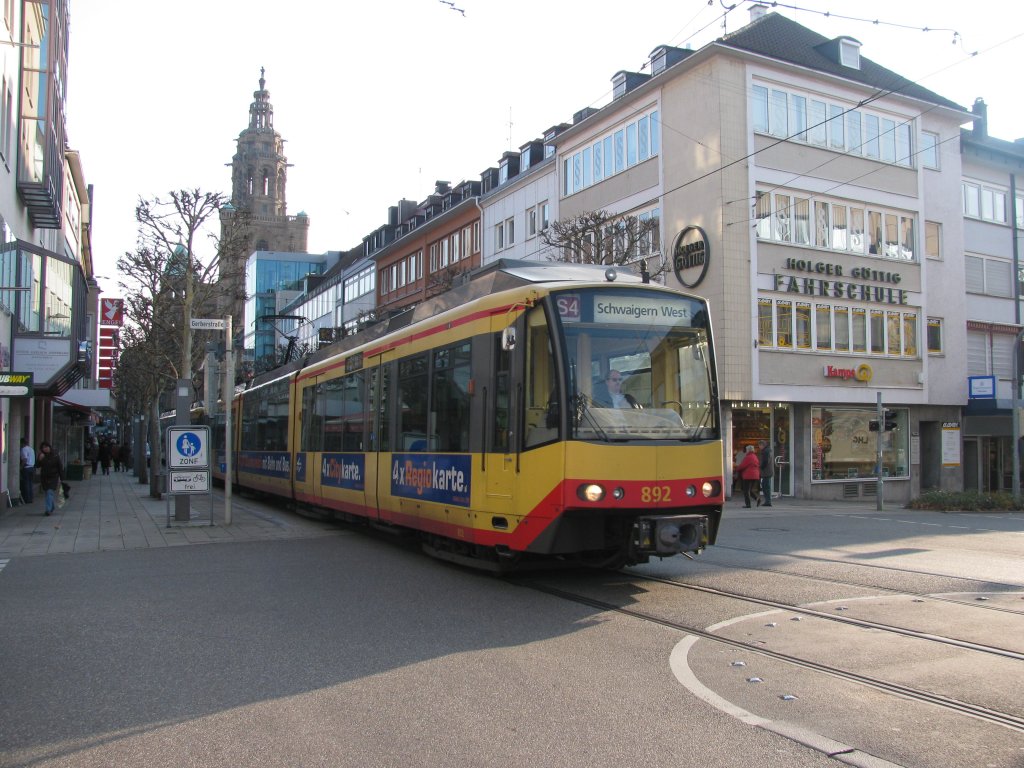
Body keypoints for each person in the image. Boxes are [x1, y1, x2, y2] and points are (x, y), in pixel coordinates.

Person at [37, 441, 64, 516]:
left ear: (49, 447)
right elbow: (37, 466)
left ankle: (48, 510)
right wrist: (39, 459)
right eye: (43, 448)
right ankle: (51, 507)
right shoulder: (42, 455)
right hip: (44, 477)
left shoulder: (55, 455)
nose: (45, 449)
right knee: (47, 493)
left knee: (49, 492)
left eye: (46, 447)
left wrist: (62, 477)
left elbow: (60, 466)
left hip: (53, 477)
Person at [19, 437, 35, 503]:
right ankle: (31, 498)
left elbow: (24, 460)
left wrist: (21, 467)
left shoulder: (23, 449)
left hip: (26, 468)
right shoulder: (31, 449)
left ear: (22, 443)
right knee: (30, 483)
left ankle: (27, 499)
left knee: (26, 484)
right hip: (32, 467)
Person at [758, 438, 773, 507]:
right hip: (768, 471)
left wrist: (761, 467)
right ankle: (768, 500)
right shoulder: (768, 451)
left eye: (759, 445)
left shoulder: (765, 452)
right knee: (766, 486)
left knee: (765, 486)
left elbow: (765, 461)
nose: (759, 447)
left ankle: (768, 501)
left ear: (762, 445)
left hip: (766, 471)